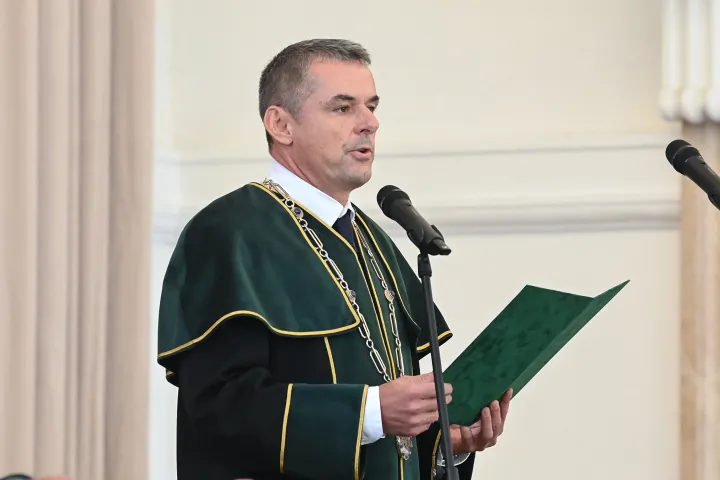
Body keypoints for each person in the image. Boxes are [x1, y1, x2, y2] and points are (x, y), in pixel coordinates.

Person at [156, 38, 513, 480]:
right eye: (343, 108)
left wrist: (446, 447)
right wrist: (370, 412)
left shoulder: (375, 242)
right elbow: (220, 409)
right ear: (281, 124)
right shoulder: (229, 232)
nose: (370, 124)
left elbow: (394, 436)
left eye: (372, 106)